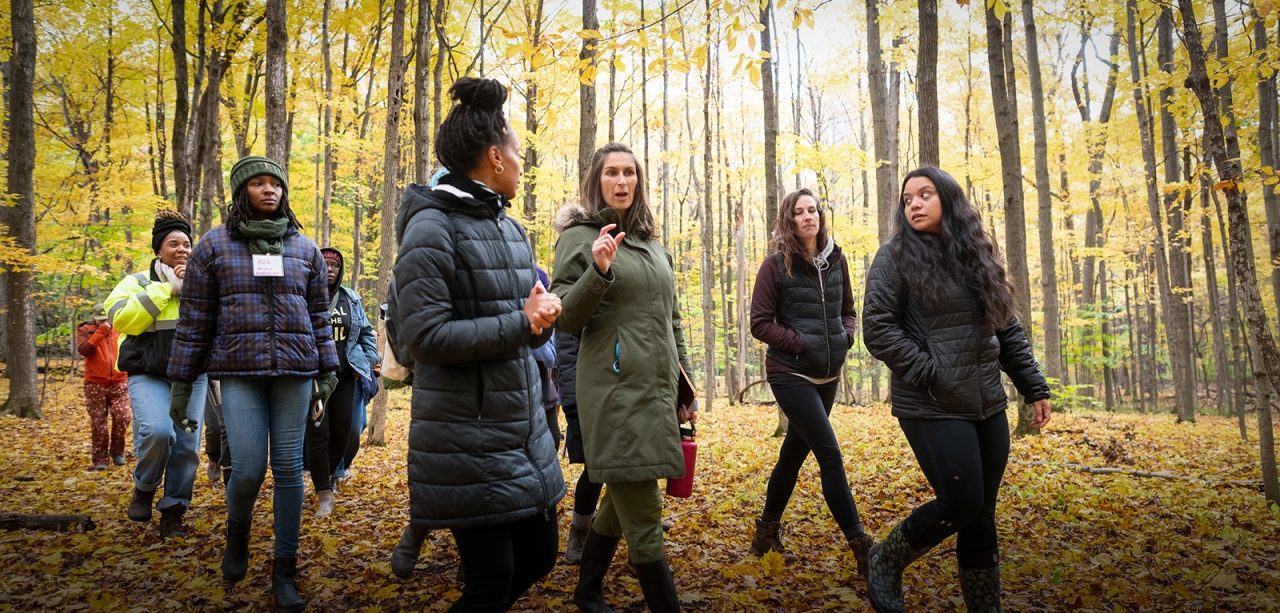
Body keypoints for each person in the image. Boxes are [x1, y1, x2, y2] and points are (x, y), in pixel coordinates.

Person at [387, 77, 565, 612]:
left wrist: (543, 318)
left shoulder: (510, 229)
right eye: (516, 151)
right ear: (494, 156)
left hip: (521, 426)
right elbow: (424, 337)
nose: (520, 162)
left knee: (540, 555)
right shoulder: (431, 228)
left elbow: (526, 324)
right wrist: (520, 320)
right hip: (466, 435)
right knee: (492, 578)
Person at [861, 166, 1051, 613]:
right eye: (908, 199)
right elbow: (878, 328)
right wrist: (932, 370)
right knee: (961, 502)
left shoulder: (976, 253)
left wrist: (1032, 385)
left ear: (948, 200)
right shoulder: (893, 257)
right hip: (931, 402)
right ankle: (886, 558)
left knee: (982, 510)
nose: (914, 204)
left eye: (925, 195)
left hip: (987, 401)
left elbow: (1006, 327)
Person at [167, 154, 339, 613]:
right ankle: (237, 532)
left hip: (295, 372)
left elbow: (319, 319)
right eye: (259, 184)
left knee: (288, 469)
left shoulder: (304, 249)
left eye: (275, 184)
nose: (269, 191)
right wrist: (182, 384)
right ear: (242, 191)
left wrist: (327, 372)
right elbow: (195, 321)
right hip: (239, 371)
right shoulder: (213, 247)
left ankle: (285, 569)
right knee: (246, 469)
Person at [551, 142, 696, 613]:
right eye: (611, 173)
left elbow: (671, 321)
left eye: (629, 173)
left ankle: (587, 591)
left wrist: (685, 386)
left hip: (655, 391)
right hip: (613, 393)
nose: (621, 181)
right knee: (646, 515)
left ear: (639, 180)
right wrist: (599, 269)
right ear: (596, 181)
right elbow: (565, 318)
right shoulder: (579, 238)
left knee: (624, 496)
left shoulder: (652, 244)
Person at [747, 187, 875, 573]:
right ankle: (861, 546)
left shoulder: (837, 261)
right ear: (790, 220)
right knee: (830, 455)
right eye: (800, 212)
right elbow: (760, 323)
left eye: (813, 210)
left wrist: (845, 335)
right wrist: (799, 344)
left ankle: (765, 532)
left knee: (793, 454)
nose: (808, 217)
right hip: (791, 373)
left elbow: (849, 310)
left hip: (829, 375)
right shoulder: (776, 266)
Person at [106, 209, 207, 540]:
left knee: (187, 446)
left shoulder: (203, 282)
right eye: (173, 243)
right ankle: (145, 487)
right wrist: (169, 290)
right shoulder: (137, 282)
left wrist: (193, 287)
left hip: (193, 376)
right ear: (158, 249)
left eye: (187, 244)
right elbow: (120, 319)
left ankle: (174, 511)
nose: (182, 249)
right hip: (148, 374)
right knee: (159, 433)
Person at [306, 247, 379, 517]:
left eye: (335, 266)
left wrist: (366, 361)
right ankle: (323, 490)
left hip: (345, 377)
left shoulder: (350, 299)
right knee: (318, 433)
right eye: (325, 265)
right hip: (314, 377)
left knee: (344, 434)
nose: (330, 270)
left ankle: (324, 476)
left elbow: (367, 333)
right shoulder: (305, 295)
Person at [75, 303, 131, 471]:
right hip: (95, 383)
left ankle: (117, 450)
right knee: (98, 422)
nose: (104, 322)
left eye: (106, 319)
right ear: (94, 318)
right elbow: (84, 350)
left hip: (120, 381)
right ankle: (100, 458)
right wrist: (101, 332)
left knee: (123, 416)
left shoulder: (121, 328)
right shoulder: (85, 330)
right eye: (100, 320)